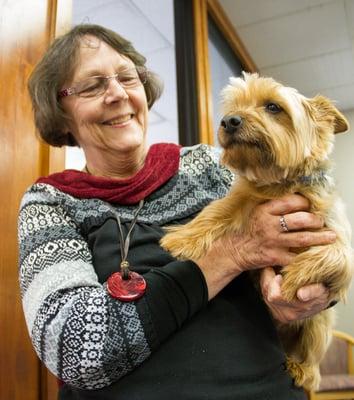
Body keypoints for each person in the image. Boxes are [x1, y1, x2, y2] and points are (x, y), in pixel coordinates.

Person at [19, 24, 335, 400]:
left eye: (127, 77)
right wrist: (230, 254)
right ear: (60, 113)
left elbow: (311, 238)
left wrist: (313, 293)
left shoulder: (213, 165)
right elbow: (77, 351)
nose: (118, 94)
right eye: (92, 86)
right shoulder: (50, 203)